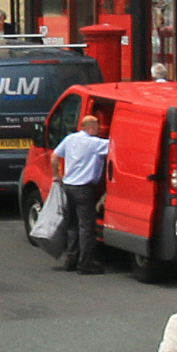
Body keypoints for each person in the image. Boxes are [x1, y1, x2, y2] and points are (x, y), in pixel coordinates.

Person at [50, 105, 112, 275]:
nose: (99, 130)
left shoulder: (70, 139)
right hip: (83, 189)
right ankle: (85, 263)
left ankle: (71, 259)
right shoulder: (95, 143)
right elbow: (116, 147)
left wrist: (57, 177)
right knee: (86, 226)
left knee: (72, 225)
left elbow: (54, 157)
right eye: (97, 127)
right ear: (90, 127)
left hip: (68, 186)